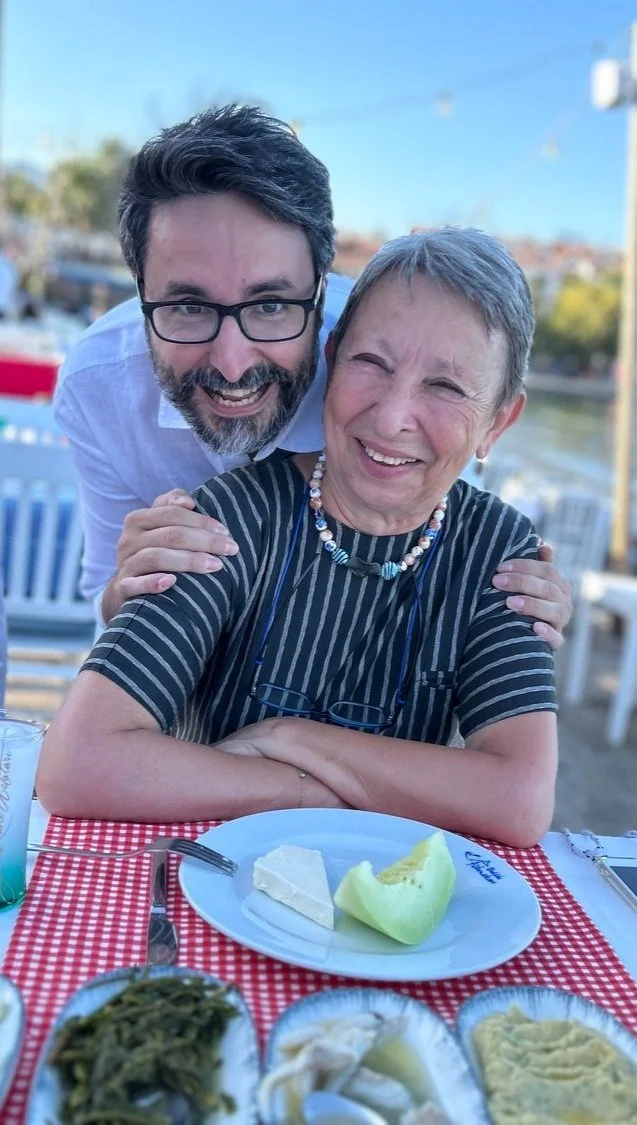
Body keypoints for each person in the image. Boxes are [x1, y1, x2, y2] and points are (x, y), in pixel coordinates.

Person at [39, 228, 558, 848]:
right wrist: (307, 791)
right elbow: (78, 763)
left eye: (445, 387)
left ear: (497, 422)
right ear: (332, 359)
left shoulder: (498, 555)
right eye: (372, 363)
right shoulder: (230, 520)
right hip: (209, 878)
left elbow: (520, 799)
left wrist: (290, 740)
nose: (393, 416)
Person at [53, 105, 571, 646]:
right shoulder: (96, 388)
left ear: (322, 296)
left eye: (270, 305)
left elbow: (443, 555)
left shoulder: (390, 354)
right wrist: (126, 588)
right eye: (188, 307)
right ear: (140, 293)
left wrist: (520, 602)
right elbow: (105, 596)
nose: (232, 364)